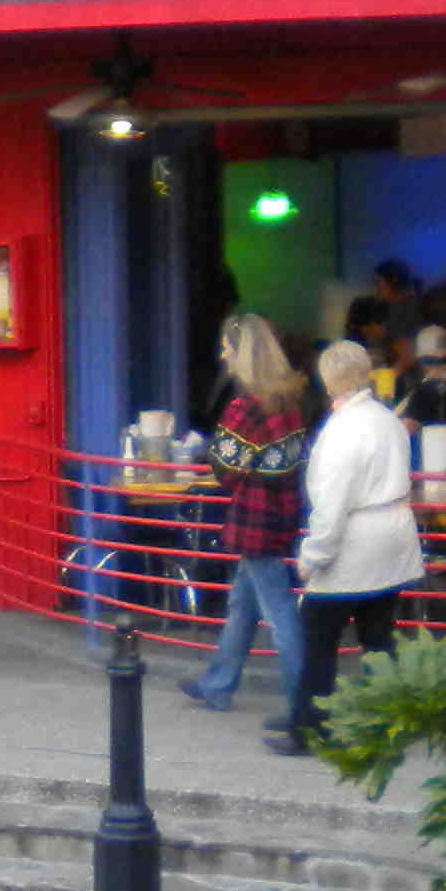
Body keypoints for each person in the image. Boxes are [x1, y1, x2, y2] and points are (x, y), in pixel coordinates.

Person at [285, 338, 424, 753]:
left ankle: (311, 728)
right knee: (378, 638)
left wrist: (313, 557)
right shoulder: (388, 420)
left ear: (328, 382)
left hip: (353, 547)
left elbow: (331, 506)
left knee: (319, 639)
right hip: (393, 539)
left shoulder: (341, 432)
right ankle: (386, 725)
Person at [178, 311, 314, 734]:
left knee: (279, 611)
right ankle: (218, 684)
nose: (222, 355)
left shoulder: (245, 406)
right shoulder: (290, 398)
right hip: (283, 511)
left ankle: (303, 705)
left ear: (243, 352)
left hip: (255, 517)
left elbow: (225, 469)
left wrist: (208, 453)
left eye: (226, 347)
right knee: (244, 604)